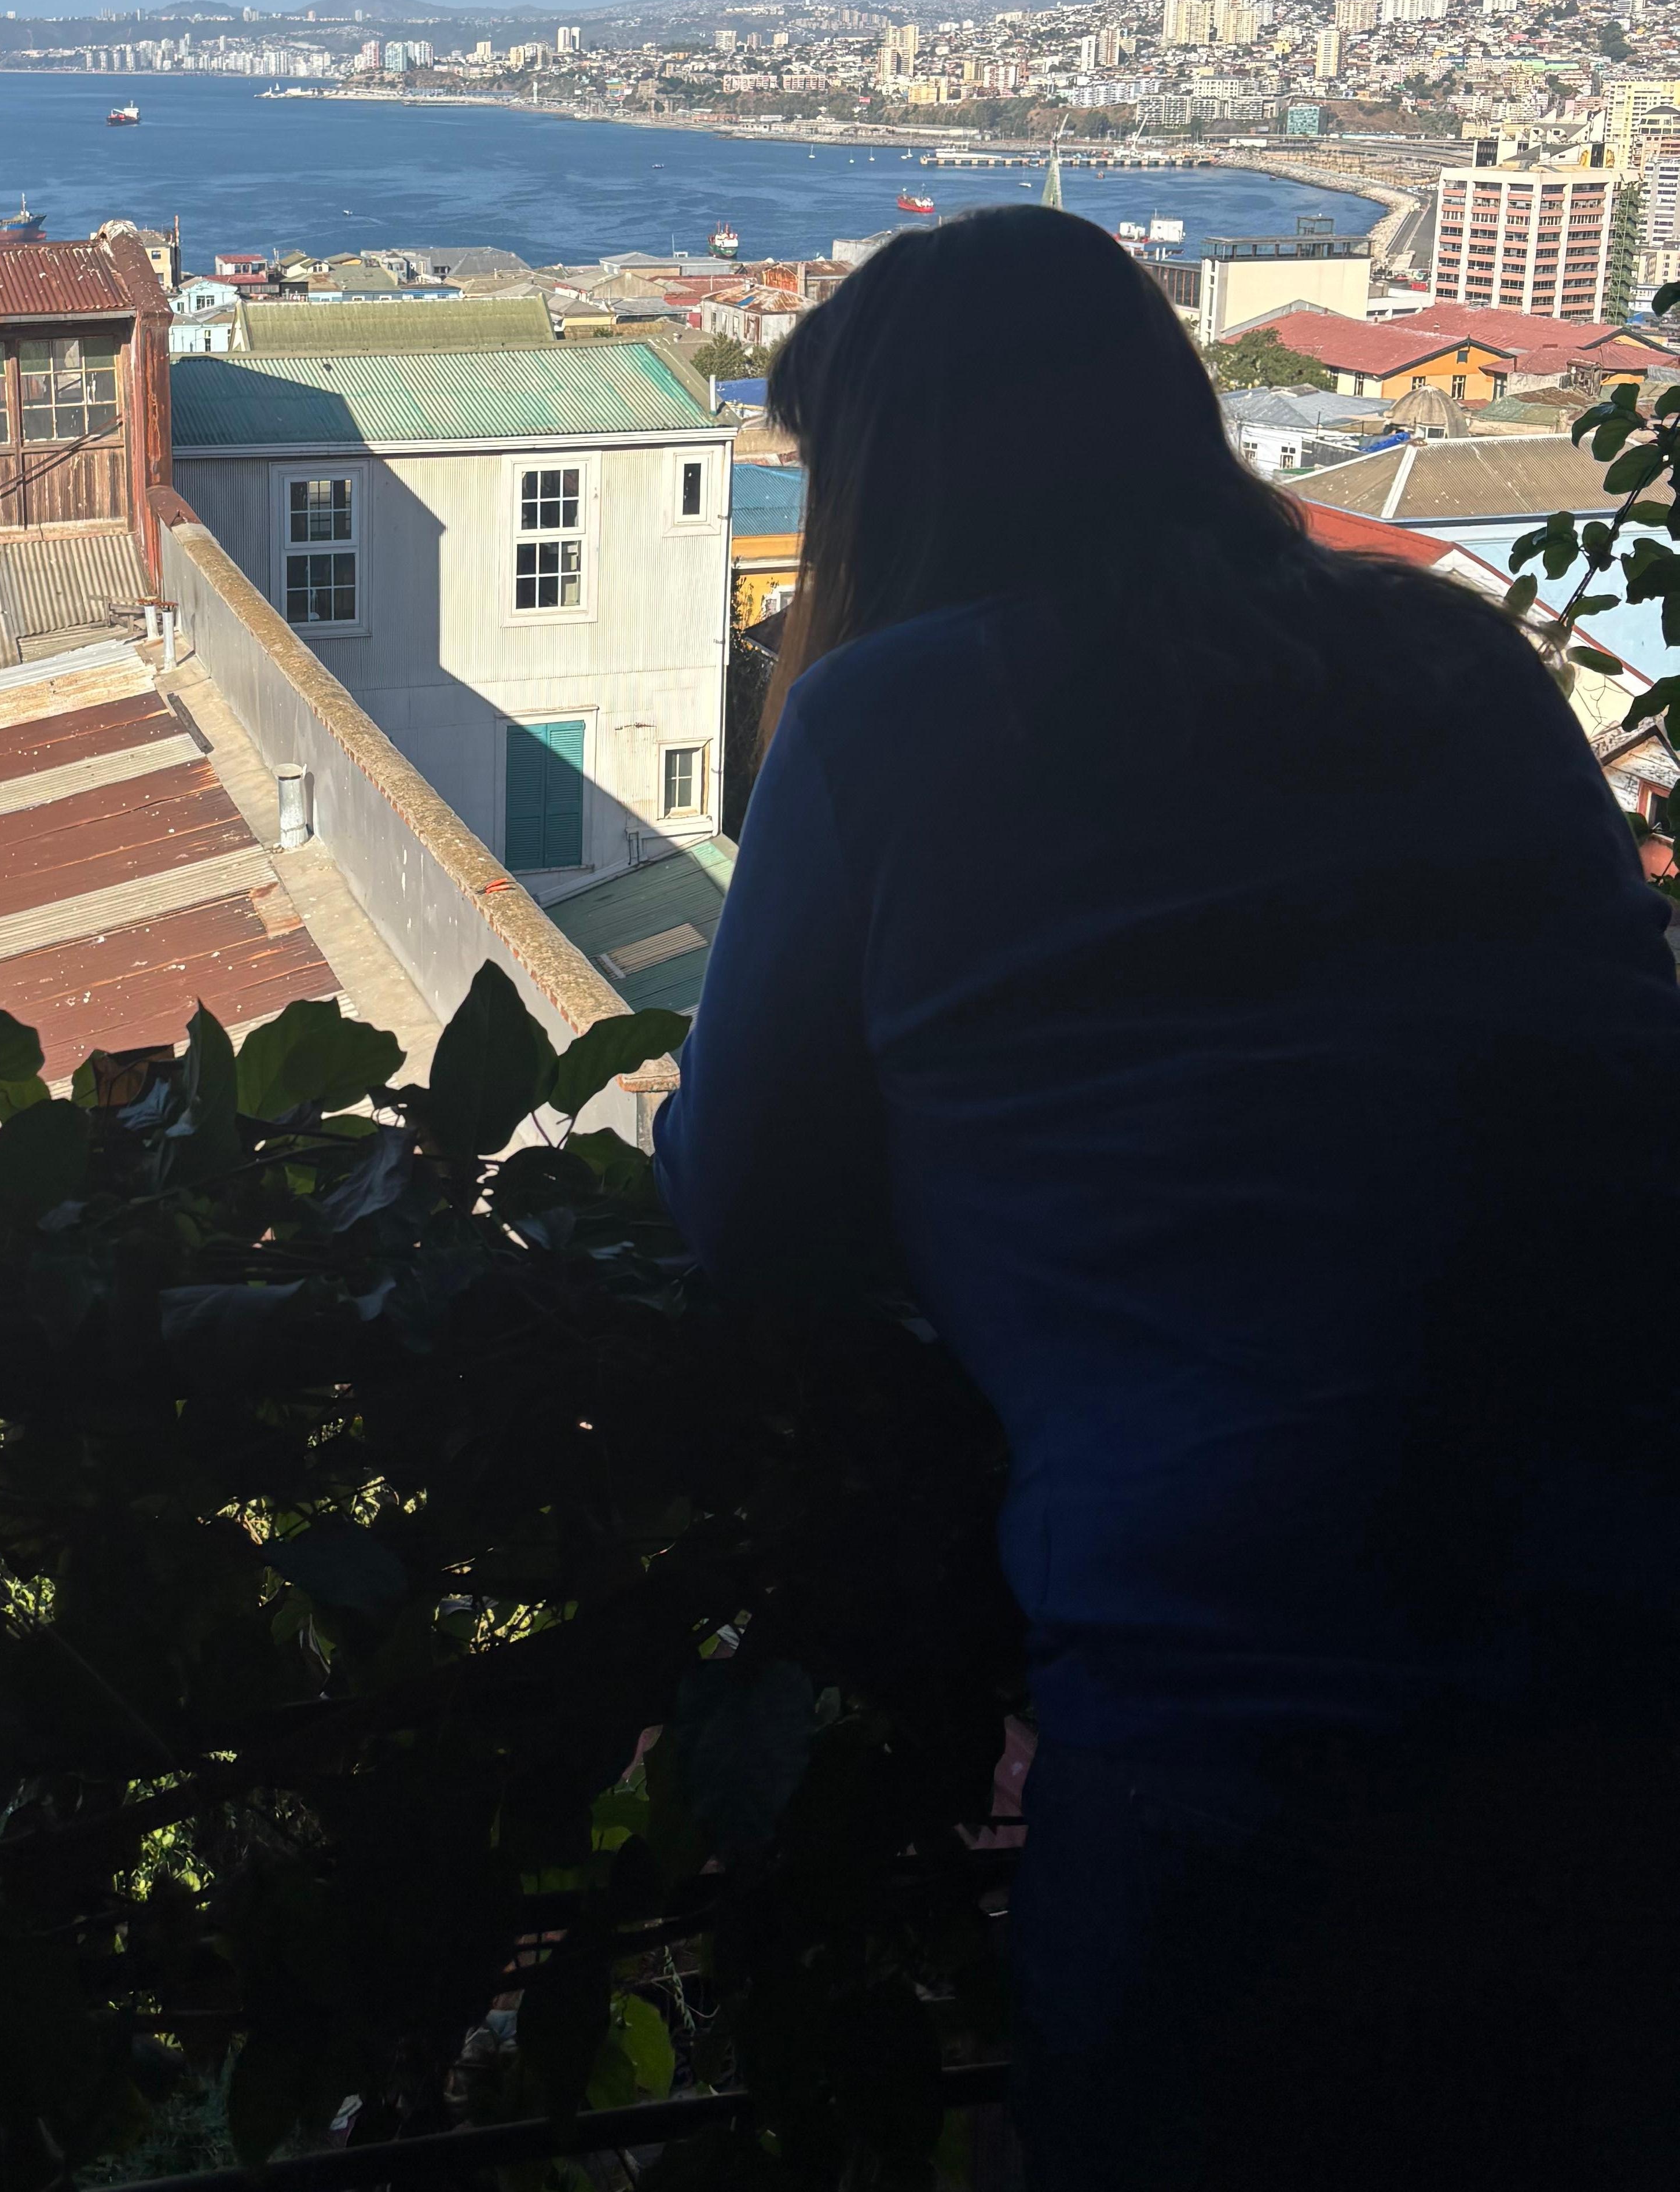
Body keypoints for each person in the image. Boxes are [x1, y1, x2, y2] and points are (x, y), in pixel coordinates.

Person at [653, 207, 1680, 2190]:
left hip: (1229, 1658)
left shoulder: (888, 721)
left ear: (887, 476)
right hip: (1620, 1597)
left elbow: (748, 1203)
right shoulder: (1446, 661)